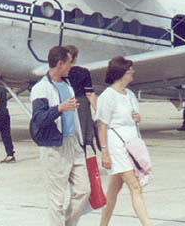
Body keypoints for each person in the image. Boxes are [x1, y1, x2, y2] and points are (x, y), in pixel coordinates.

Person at [29, 46, 88, 226]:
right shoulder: (41, 88)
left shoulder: (68, 85)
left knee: (84, 190)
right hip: (54, 146)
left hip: (73, 143)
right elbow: (39, 119)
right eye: (70, 62)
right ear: (60, 63)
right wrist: (59, 108)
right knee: (57, 200)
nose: (72, 66)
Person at [96, 57, 153, 226]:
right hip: (117, 146)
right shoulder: (108, 96)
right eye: (130, 70)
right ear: (121, 73)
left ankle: (103, 224)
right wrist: (105, 152)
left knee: (114, 189)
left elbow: (133, 117)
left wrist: (137, 117)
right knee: (135, 187)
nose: (133, 72)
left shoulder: (130, 95)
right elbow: (102, 126)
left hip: (132, 145)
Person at [65, 45, 98, 148]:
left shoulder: (60, 73)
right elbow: (90, 94)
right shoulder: (83, 72)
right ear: (75, 58)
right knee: (84, 136)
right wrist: (97, 110)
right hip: (81, 105)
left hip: (65, 104)